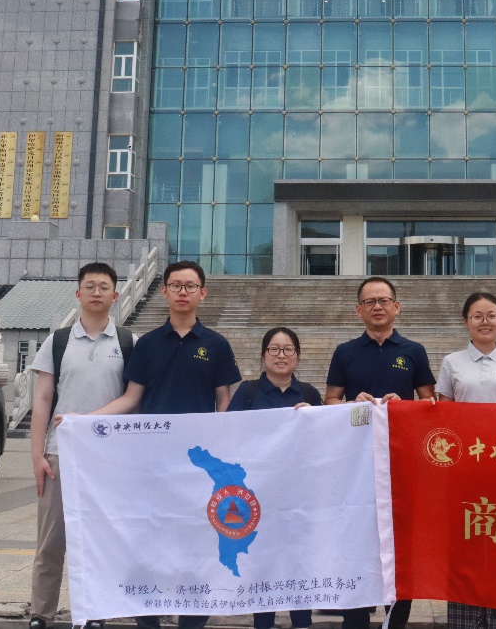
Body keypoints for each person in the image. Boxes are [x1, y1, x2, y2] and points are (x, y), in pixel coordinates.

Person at [94, 259, 241, 629]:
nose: (182, 292)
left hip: (198, 468)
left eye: (190, 286)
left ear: (202, 293)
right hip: (152, 465)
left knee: (197, 543)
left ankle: (192, 621)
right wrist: (87, 419)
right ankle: (148, 620)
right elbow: (131, 398)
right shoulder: (147, 345)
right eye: (176, 285)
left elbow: (224, 403)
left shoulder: (216, 345)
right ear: (164, 291)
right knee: (149, 542)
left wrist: (227, 453)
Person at [27, 262, 134, 629]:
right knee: (51, 540)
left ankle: (94, 613)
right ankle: (41, 613)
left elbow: (133, 399)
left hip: (109, 457)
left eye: (104, 287)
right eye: (90, 286)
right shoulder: (58, 341)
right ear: (78, 293)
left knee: (98, 541)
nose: (96, 292)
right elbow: (42, 399)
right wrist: (37, 455)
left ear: (115, 295)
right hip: (61, 453)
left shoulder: (128, 342)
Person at [325, 276, 435, 629]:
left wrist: (404, 407)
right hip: (356, 464)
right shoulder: (345, 352)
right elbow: (330, 400)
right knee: (356, 541)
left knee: (400, 543)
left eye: (384, 300)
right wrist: (350, 404)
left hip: (400, 463)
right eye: (369, 301)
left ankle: (395, 620)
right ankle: (355, 618)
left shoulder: (413, 350)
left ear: (396, 307)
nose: (377, 306)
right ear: (358, 310)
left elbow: (430, 402)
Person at [437, 292, 496, 629]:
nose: (485, 322)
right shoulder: (452, 362)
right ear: (466, 322)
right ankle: (466, 618)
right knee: (465, 545)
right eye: (477, 316)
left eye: (491, 315)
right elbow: (443, 416)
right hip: (464, 471)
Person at [227, 327, 322, 629]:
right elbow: (229, 436)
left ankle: (302, 622)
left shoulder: (309, 394)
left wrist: (314, 418)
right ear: (264, 354)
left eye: (288, 349)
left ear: (297, 356)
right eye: (274, 349)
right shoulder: (248, 392)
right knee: (262, 565)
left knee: (299, 564)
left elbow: (324, 442)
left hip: (299, 498)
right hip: (258, 497)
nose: (282, 355)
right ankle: (263, 622)